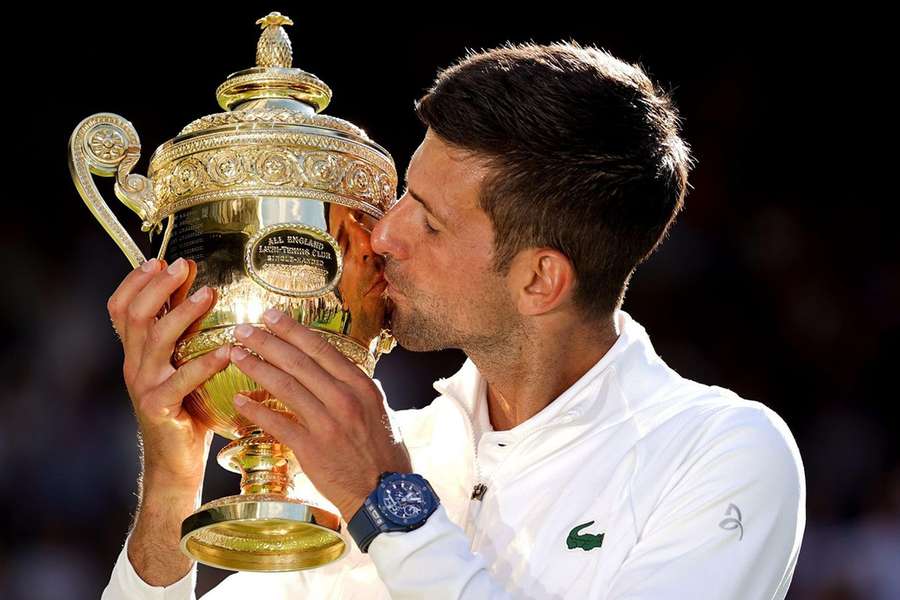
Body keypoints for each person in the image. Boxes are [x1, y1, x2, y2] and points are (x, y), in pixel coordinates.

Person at [102, 42, 805, 599]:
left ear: (539, 280)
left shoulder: (722, 454)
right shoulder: (378, 450)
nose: (382, 236)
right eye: (404, 194)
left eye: (429, 224)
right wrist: (170, 484)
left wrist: (386, 505)